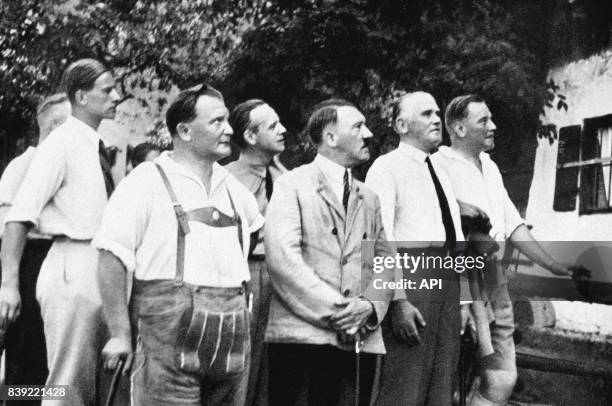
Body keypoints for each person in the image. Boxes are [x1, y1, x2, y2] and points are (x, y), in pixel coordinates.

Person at [95, 84, 264, 405]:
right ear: (184, 130)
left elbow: (253, 230)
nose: (229, 130)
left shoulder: (233, 187)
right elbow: (110, 257)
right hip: (165, 335)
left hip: (232, 335)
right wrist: (119, 334)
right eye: (217, 122)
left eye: (227, 120)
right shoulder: (147, 180)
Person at [434, 94, 575, 406]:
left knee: (501, 379)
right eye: (483, 120)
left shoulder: (490, 167)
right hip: (456, 279)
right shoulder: (437, 166)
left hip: (493, 277)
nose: (493, 126)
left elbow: (513, 225)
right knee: (447, 379)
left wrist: (553, 266)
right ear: (458, 128)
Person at [0, 58, 121, 405]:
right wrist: (8, 284)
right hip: (71, 264)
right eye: (107, 89)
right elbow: (19, 216)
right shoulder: (61, 143)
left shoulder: (93, 145)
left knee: (98, 381)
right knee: (65, 384)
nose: (115, 97)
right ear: (81, 97)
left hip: (101, 264)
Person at [265, 98, 395, 406]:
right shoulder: (291, 185)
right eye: (358, 127)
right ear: (331, 138)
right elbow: (283, 259)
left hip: (359, 339)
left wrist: (369, 306)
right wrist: (342, 311)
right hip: (303, 336)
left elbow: (386, 261)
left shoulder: (369, 197)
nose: (369, 135)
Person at [366, 91, 464, 406]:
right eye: (426, 114)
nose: (437, 119)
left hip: (445, 281)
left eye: (437, 113)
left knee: (441, 384)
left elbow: (455, 236)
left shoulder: (441, 172)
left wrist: (464, 301)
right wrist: (397, 302)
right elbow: (378, 238)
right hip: (410, 279)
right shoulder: (386, 167)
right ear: (401, 124)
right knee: (403, 384)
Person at [0, 93, 70, 403]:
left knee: (48, 359)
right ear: (56, 126)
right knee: (25, 357)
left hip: (57, 265)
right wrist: (9, 284)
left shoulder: (68, 164)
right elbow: (7, 228)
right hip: (29, 262)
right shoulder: (24, 165)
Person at [225, 99, 287, 406]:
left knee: (274, 371)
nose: (283, 130)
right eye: (273, 126)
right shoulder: (225, 179)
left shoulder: (286, 179)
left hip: (281, 280)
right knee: (240, 366)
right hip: (244, 275)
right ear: (250, 136)